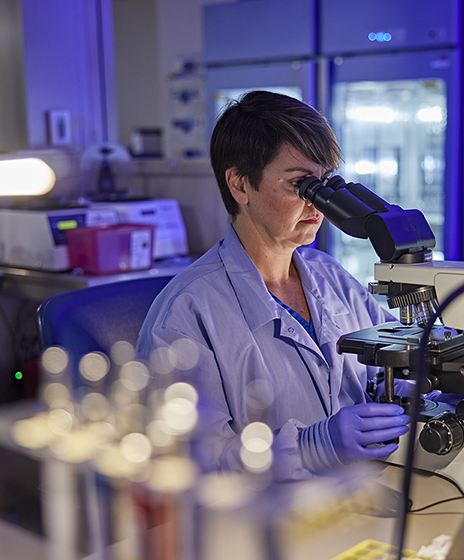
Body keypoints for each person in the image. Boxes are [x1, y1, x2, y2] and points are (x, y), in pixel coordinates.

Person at [135, 91, 409, 481]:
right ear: (240, 185)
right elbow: (186, 463)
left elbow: (396, 359)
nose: (318, 204)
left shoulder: (331, 278)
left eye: (325, 184)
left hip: (354, 494)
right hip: (266, 511)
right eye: (301, 184)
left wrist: (416, 390)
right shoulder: (186, 313)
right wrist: (311, 447)